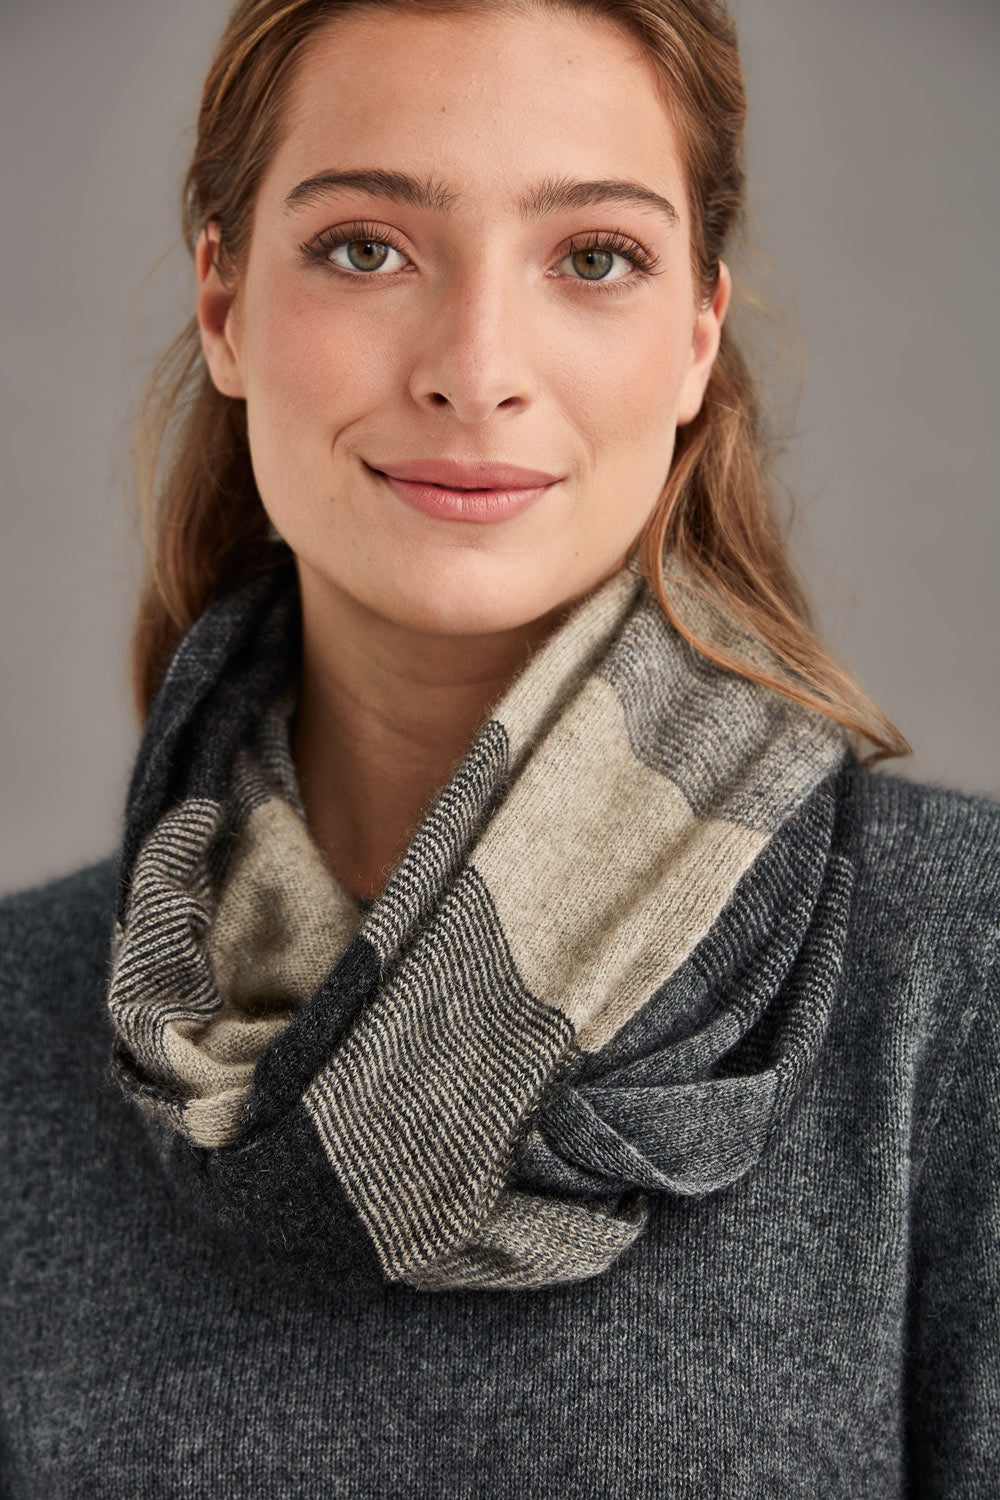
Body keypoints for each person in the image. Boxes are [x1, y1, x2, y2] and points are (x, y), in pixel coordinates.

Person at [1, 1, 997, 1496]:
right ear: (222, 304)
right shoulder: (20, 1024)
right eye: (365, 248)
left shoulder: (958, 968)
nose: (477, 366)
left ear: (694, 337)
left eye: (593, 259)